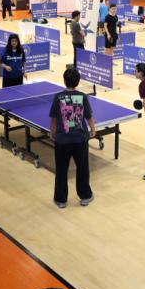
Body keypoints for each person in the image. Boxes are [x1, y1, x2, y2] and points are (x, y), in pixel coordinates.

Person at [49, 68, 95, 209]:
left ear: (64, 81)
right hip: (80, 139)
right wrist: (93, 130)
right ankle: (85, 196)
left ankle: (61, 200)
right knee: (82, 169)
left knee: (61, 170)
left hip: (62, 140)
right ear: (78, 82)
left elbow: (54, 118)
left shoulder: (58, 97)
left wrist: (53, 132)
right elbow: (89, 117)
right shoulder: (83, 97)